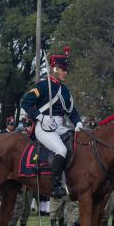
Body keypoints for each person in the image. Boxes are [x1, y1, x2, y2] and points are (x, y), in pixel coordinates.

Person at [20, 47, 83, 198]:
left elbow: (71, 110)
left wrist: (78, 123)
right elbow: (25, 103)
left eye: (66, 70)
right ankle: (55, 186)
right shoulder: (42, 86)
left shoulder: (65, 90)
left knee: (77, 144)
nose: (65, 73)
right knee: (61, 150)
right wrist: (41, 117)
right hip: (44, 127)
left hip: (59, 126)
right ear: (54, 69)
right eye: (62, 69)